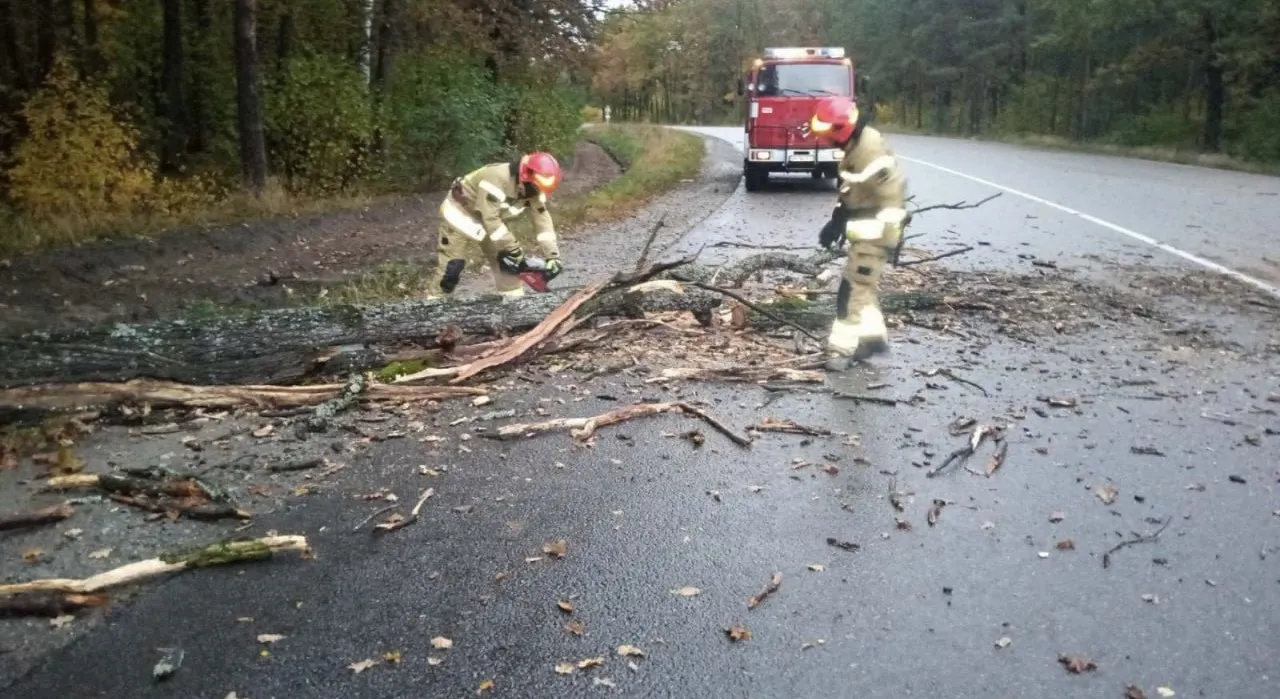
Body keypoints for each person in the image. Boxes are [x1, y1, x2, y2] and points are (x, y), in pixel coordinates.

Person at [808, 96, 908, 365]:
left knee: (851, 293)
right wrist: (838, 219)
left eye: (826, 131)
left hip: (875, 238)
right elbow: (853, 190)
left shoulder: (869, 152)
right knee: (864, 289)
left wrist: (891, 241)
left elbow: (892, 199)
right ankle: (872, 339)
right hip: (865, 234)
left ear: (840, 129)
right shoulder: (855, 145)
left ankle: (841, 350)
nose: (824, 138)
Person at [428, 152, 565, 299]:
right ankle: (433, 305)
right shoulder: (497, 179)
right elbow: (491, 219)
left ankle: (513, 302)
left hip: (491, 220)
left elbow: (542, 220)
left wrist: (552, 256)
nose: (537, 191)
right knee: (451, 269)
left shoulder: (533, 188)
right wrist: (513, 248)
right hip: (460, 215)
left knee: (508, 266)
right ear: (526, 176)